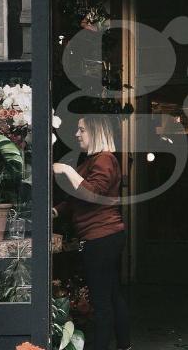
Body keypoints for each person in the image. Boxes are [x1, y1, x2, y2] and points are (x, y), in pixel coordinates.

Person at [52, 115, 131, 350]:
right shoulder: (94, 160)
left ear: (96, 132)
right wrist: (55, 211)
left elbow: (92, 193)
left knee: (101, 302)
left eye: (82, 130)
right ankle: (124, 345)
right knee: (112, 295)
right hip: (105, 238)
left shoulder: (104, 159)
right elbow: (76, 199)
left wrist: (67, 170)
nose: (77, 134)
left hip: (101, 238)